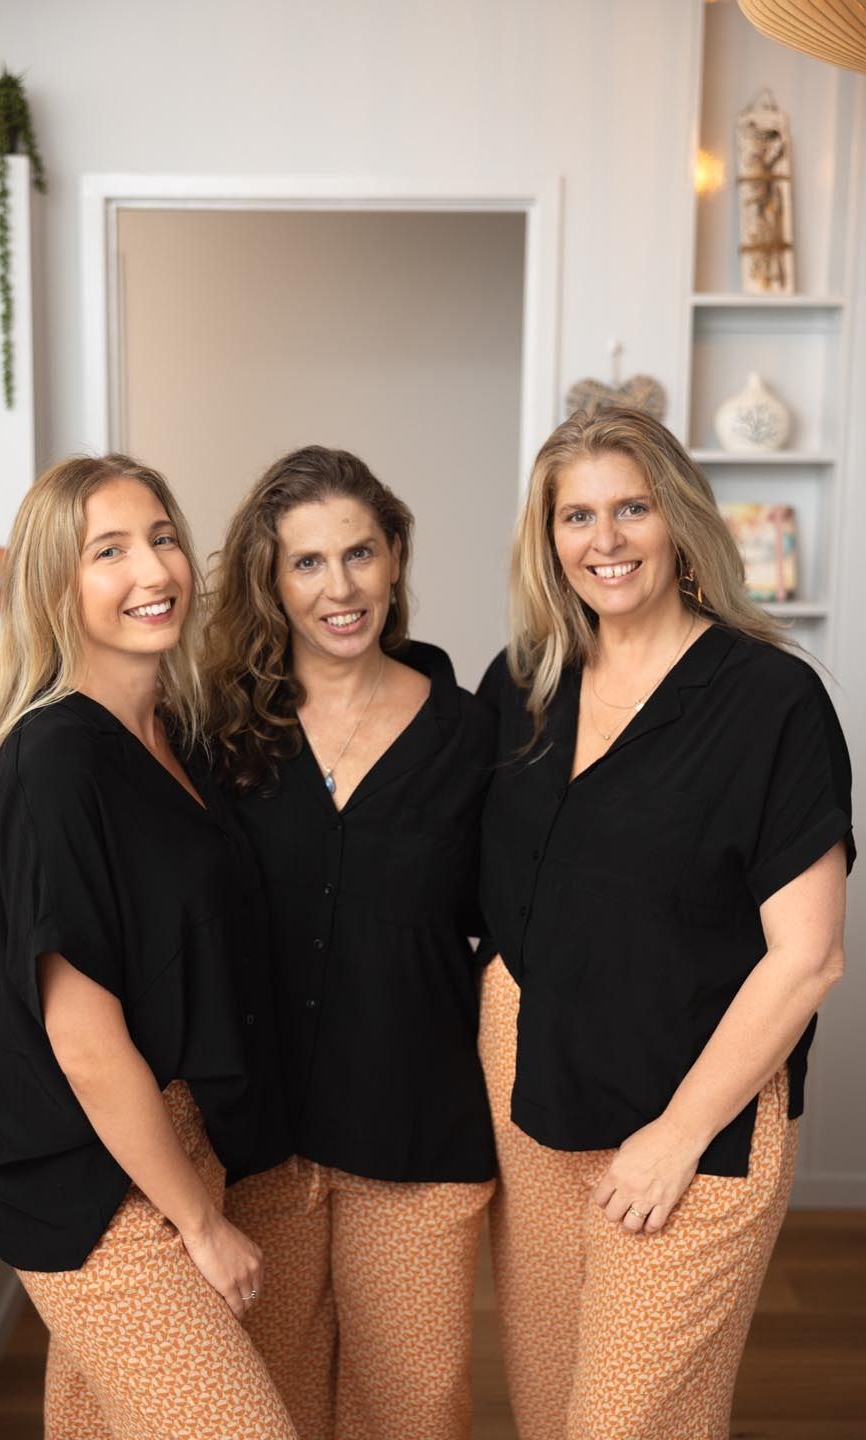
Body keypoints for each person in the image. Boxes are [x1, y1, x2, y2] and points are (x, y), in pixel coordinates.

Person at [477, 407, 854, 1440]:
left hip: (696, 1116)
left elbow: (810, 958)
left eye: (633, 508)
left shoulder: (771, 701)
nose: (606, 540)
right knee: (552, 1413)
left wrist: (678, 1135)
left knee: (626, 1425)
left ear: (679, 519)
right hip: (535, 1101)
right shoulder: (521, 686)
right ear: (547, 539)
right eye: (578, 515)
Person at [0, 454, 296, 1440]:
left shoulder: (177, 735)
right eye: (107, 551)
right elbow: (80, 1032)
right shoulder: (55, 756)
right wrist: (196, 1223)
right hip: (96, 1183)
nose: (152, 571)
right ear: (55, 586)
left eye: (160, 538)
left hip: (183, 1144)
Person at [203, 445, 496, 1440]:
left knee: (414, 1410)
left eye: (361, 553)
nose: (343, 587)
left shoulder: (473, 735)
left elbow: (526, 922)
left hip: (418, 1138)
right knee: (268, 1406)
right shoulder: (219, 740)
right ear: (272, 582)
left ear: (398, 555)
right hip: (257, 1151)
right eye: (310, 563)